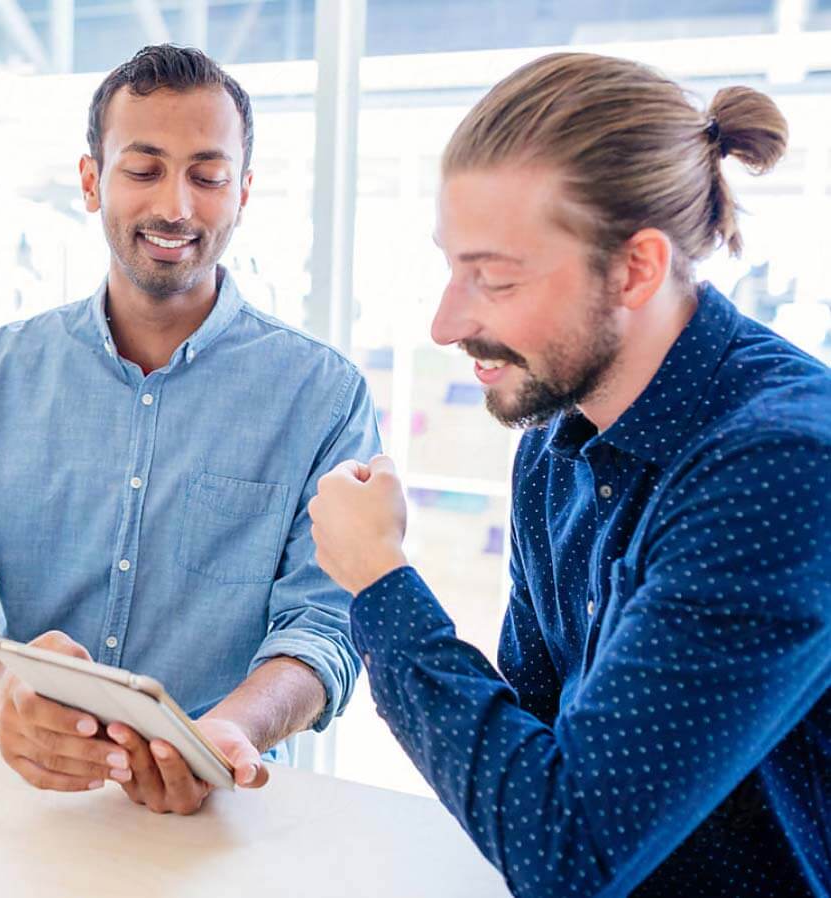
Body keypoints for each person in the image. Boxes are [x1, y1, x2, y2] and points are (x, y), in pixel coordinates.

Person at [309, 52, 830, 896]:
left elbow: (568, 848)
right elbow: (528, 767)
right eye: (452, 266)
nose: (447, 323)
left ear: (636, 269)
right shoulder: (555, 442)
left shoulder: (784, 467)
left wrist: (379, 579)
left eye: (496, 279)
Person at [0, 45, 380, 816]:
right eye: (143, 169)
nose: (176, 205)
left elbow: (325, 624)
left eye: (208, 176)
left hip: (231, 814)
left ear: (242, 192)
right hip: (23, 801)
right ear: (92, 181)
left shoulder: (324, 396)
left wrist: (229, 733)